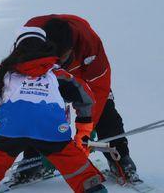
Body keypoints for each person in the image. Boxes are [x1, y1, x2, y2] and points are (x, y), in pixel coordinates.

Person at [0, 27, 107, 193]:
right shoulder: (56, 72)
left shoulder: (5, 71)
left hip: (12, 129)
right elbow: (84, 96)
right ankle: (91, 186)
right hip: (50, 129)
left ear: (16, 48)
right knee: (70, 159)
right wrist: (84, 127)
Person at [19, 15, 142, 184]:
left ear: (70, 49)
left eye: (61, 58)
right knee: (35, 110)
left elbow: (99, 89)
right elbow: (19, 88)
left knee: (105, 108)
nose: (58, 63)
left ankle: (119, 158)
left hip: (82, 77)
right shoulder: (29, 39)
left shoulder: (89, 43)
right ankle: (33, 160)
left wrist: (86, 129)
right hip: (43, 80)